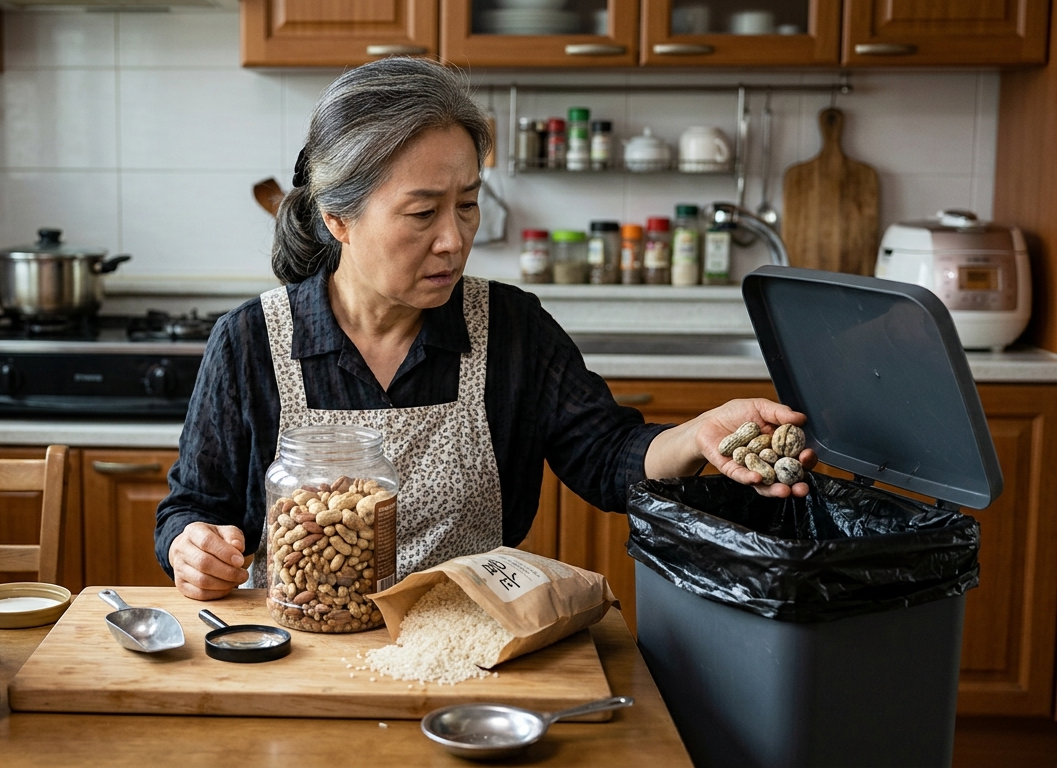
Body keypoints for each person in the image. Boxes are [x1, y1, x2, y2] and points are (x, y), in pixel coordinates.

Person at [154, 57, 815, 601]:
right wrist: (192, 548)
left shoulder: (510, 328)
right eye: (421, 212)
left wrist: (694, 436)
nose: (453, 240)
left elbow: (607, 458)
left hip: (473, 647)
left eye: (467, 205)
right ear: (338, 219)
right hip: (303, 653)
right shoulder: (250, 342)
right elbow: (189, 509)